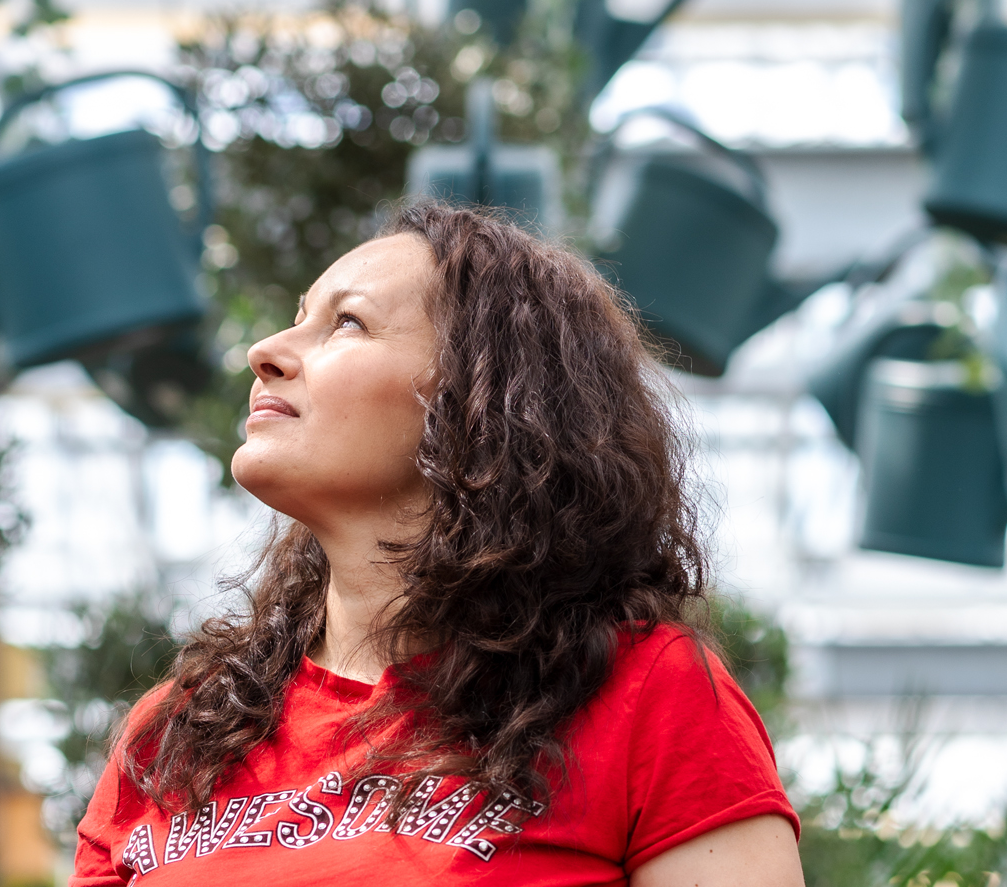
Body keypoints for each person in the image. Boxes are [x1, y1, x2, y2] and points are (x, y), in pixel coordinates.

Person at [72, 203, 803, 886]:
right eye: (297, 319)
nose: (266, 351)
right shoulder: (177, 731)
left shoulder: (648, 696)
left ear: (480, 406)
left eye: (347, 323)